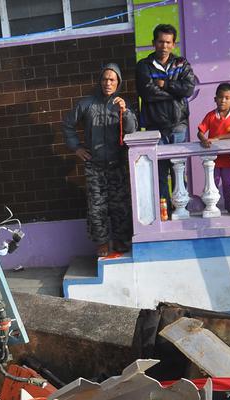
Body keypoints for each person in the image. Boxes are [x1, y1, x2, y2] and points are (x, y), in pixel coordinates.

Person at [63, 64, 137, 256]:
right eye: (105, 79)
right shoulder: (87, 103)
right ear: (100, 81)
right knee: (97, 207)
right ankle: (102, 244)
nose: (108, 83)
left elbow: (132, 130)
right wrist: (77, 148)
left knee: (120, 205)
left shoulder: (123, 103)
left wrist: (125, 111)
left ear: (118, 82)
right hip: (95, 166)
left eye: (112, 79)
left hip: (117, 165)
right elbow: (68, 125)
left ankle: (121, 241)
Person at [135, 24, 197, 213]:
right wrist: (174, 92)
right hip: (155, 128)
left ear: (173, 44)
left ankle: (181, 211)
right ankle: (164, 213)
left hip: (178, 125)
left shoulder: (181, 63)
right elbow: (147, 93)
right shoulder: (143, 66)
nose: (164, 46)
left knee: (178, 170)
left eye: (168, 42)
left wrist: (164, 84)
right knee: (159, 173)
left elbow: (188, 89)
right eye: (160, 41)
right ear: (153, 43)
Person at [197, 82, 230, 212]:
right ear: (215, 99)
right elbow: (200, 131)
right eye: (220, 97)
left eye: (227, 98)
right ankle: (211, 211)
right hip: (213, 159)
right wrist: (204, 140)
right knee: (212, 186)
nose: (223, 100)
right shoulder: (211, 115)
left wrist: (218, 138)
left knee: (229, 186)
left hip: (229, 160)